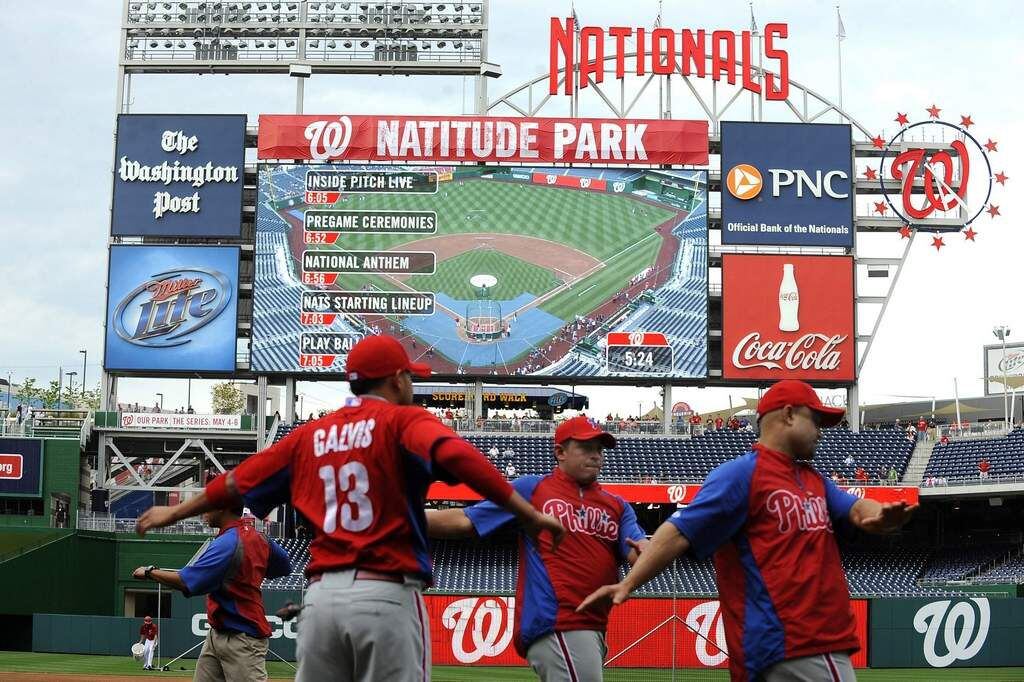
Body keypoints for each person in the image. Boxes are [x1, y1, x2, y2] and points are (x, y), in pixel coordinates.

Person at [136, 334, 564, 682]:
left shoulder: (308, 436)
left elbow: (233, 482)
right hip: (386, 594)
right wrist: (528, 513)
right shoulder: (404, 420)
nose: (412, 386)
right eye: (409, 379)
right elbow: (460, 458)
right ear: (397, 380)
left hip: (323, 601)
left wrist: (170, 514)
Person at [579, 380, 917, 682]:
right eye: (814, 420)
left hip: (780, 648)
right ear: (787, 415)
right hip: (800, 639)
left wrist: (881, 514)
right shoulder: (742, 475)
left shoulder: (814, 480)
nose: (820, 431)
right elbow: (679, 530)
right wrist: (629, 582)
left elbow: (857, 508)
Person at [427, 416, 648, 681]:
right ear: (560, 452)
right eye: (587, 447)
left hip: (593, 623)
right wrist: (401, 519)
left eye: (600, 449)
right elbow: (467, 521)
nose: (596, 456)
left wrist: (649, 549)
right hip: (557, 619)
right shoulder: (533, 489)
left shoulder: (618, 506)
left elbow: (637, 550)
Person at [132, 495, 291, 681]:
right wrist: (250, 569)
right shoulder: (259, 537)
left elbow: (186, 582)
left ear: (223, 508)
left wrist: (150, 572)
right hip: (217, 635)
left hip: (242, 640)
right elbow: (284, 565)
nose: (204, 511)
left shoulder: (226, 543)